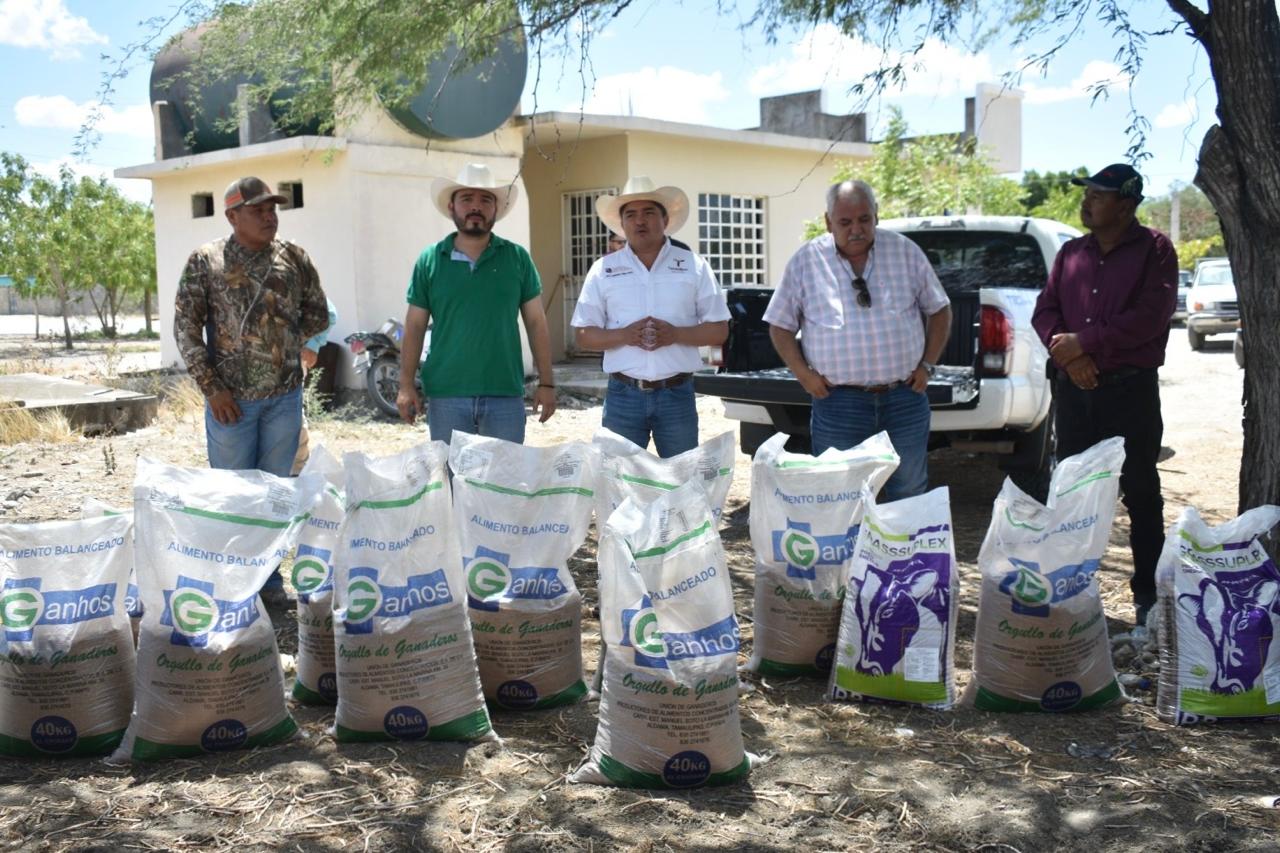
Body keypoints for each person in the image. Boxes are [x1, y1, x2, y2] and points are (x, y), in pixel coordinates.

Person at [1031, 163, 1178, 626]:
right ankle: (1069, 597)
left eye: (1098, 195)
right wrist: (1072, 358)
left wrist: (1086, 343)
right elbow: (1045, 311)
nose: (1087, 201)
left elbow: (1151, 317)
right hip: (1075, 392)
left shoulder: (1155, 249)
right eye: (1088, 193)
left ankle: (1148, 599)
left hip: (1129, 391)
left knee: (1140, 491)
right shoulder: (1071, 253)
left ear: (1127, 204)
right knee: (1072, 492)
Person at [763, 179, 951, 500]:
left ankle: (900, 551)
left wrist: (928, 365)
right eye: (845, 222)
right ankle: (851, 552)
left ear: (877, 215)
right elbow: (779, 325)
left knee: (908, 489)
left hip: (904, 398)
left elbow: (940, 310)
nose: (856, 230)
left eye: (864, 219)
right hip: (839, 403)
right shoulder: (807, 261)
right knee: (841, 495)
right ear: (828, 222)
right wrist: (804, 375)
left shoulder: (905, 251)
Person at [174, 175, 330, 477]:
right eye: (258, 211)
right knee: (235, 492)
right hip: (231, 403)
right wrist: (212, 388)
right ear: (232, 216)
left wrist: (281, 344)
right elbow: (186, 329)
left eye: (272, 209)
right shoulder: (207, 261)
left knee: (275, 490)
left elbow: (318, 313)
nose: (269, 216)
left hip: (284, 400)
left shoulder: (294, 258)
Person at [571, 177, 730, 457]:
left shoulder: (694, 266)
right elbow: (584, 335)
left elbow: (719, 330)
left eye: (648, 213)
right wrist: (624, 335)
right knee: (619, 483)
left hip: (676, 395)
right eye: (630, 215)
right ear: (622, 224)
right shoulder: (603, 270)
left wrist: (677, 334)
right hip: (623, 395)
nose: (639, 221)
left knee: (679, 483)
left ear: (665, 219)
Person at [397, 164, 556, 442]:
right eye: (467, 199)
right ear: (451, 207)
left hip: (504, 395)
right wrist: (406, 385)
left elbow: (536, 322)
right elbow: (414, 325)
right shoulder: (430, 260)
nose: (476, 207)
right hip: (447, 395)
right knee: (454, 481)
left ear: (496, 210)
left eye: (485, 200)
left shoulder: (517, 258)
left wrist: (547, 382)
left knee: (503, 483)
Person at [291, 298, 338, 475]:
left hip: (289, 373)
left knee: (295, 426)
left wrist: (312, 344)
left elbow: (328, 311)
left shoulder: (290, 274)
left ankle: (298, 473)